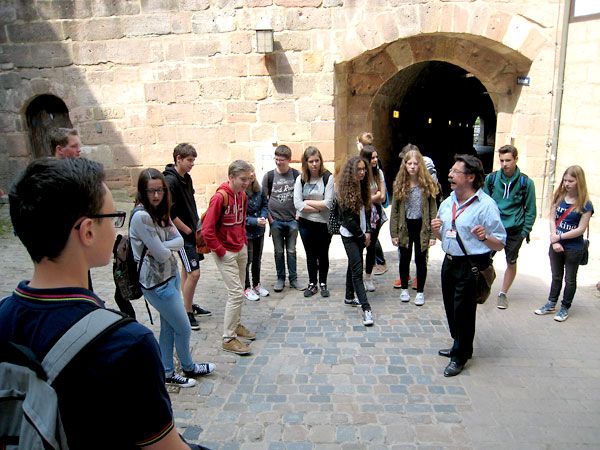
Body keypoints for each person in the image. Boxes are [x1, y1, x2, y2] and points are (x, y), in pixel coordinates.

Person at [1, 157, 205, 449]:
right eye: (113, 217)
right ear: (88, 231)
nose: (116, 227)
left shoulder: (3, 316)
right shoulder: (126, 343)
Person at [130, 168, 215, 386]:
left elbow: (178, 241)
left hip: (170, 276)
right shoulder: (142, 216)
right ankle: (188, 366)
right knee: (183, 327)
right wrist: (164, 247)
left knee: (168, 327)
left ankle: (167, 371)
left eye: (159, 190)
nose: (156, 195)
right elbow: (162, 253)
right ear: (142, 191)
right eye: (151, 191)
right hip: (156, 283)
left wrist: (161, 245)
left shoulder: (161, 211)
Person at [431, 154, 506, 377]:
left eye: (456, 172)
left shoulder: (486, 206)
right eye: (451, 171)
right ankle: (460, 344)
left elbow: (500, 242)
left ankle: (460, 355)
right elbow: (444, 235)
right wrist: (436, 230)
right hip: (449, 262)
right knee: (451, 307)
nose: (450, 175)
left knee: (463, 311)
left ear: (471, 177)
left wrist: (485, 237)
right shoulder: (448, 202)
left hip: (471, 264)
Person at [202, 160, 257, 355]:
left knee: (239, 290)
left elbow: (241, 221)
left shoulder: (242, 195)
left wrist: (243, 241)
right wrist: (221, 251)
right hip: (225, 251)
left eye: (248, 179)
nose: (246, 183)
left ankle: (236, 325)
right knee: (235, 293)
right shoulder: (220, 197)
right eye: (243, 179)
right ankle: (228, 338)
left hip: (239, 248)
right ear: (231, 177)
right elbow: (207, 230)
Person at [534, 165, 593, 322]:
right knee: (556, 276)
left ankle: (565, 307)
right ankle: (551, 303)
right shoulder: (559, 197)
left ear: (579, 181)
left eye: (571, 181)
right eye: (565, 180)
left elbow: (581, 229)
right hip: (556, 244)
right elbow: (552, 219)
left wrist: (559, 237)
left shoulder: (586, 204)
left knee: (570, 279)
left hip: (574, 247)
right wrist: (554, 240)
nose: (567, 184)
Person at [164, 143, 212, 331]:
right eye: (189, 160)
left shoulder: (187, 178)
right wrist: (188, 231)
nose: (192, 164)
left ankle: (187, 305)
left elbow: (190, 203)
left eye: (193, 160)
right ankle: (186, 312)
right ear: (179, 159)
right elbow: (170, 213)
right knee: (194, 273)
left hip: (191, 231)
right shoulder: (170, 181)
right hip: (183, 236)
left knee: (187, 270)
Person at [483, 145, 536, 309]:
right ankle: (482, 287)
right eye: (501, 160)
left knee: (511, 261)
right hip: (494, 228)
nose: (504, 164)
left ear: (516, 159)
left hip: (515, 230)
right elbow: (484, 203)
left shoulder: (526, 183)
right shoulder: (491, 179)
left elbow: (531, 209)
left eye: (508, 160)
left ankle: (503, 293)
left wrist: (524, 232)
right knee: (483, 259)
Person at [390, 147, 438, 306]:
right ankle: (404, 288)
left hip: (421, 226)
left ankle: (420, 292)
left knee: (420, 259)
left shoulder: (427, 184)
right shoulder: (400, 184)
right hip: (405, 226)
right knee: (404, 258)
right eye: (409, 163)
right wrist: (394, 233)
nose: (412, 166)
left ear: (420, 165)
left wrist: (433, 234)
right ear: (404, 165)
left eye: (415, 163)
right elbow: (395, 211)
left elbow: (433, 210)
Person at [337, 156, 374, 327]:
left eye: (364, 169)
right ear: (351, 171)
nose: (362, 172)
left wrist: (368, 231)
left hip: (361, 233)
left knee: (353, 264)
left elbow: (367, 212)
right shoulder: (344, 190)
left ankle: (349, 296)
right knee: (357, 271)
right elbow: (348, 220)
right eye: (358, 169)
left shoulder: (363, 186)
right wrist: (362, 237)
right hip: (350, 235)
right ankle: (366, 309)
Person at [294, 146, 335, 298]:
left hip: (323, 223)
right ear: (306, 162)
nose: (314, 164)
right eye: (311, 161)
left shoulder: (327, 177)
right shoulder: (301, 179)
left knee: (323, 253)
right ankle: (312, 283)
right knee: (310, 254)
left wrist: (307, 202)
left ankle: (323, 282)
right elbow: (297, 204)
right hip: (305, 223)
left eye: (317, 160)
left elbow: (328, 203)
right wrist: (318, 207)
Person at [262, 145, 301, 292]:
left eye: (282, 160)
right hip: (276, 221)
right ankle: (280, 279)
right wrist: (270, 219)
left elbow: (302, 196)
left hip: (292, 221)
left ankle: (293, 279)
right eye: (276, 159)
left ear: (289, 160)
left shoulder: (296, 175)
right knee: (278, 251)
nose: (278, 162)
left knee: (291, 251)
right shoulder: (269, 176)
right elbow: (263, 199)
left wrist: (298, 216)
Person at [359, 145, 386, 292]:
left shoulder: (378, 173)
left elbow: (382, 196)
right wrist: (373, 196)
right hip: (361, 214)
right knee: (359, 245)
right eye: (372, 158)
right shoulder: (360, 173)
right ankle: (357, 277)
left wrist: (368, 198)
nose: (375, 160)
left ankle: (368, 277)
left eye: (376, 157)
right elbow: (359, 197)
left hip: (375, 215)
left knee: (372, 246)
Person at [244, 168, 270, 301]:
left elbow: (265, 205)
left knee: (256, 259)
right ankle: (246, 287)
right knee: (247, 260)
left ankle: (256, 284)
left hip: (259, 231)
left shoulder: (259, 190)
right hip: (247, 232)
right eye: (249, 176)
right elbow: (241, 216)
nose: (252, 177)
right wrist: (255, 221)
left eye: (253, 174)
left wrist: (263, 217)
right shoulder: (240, 193)